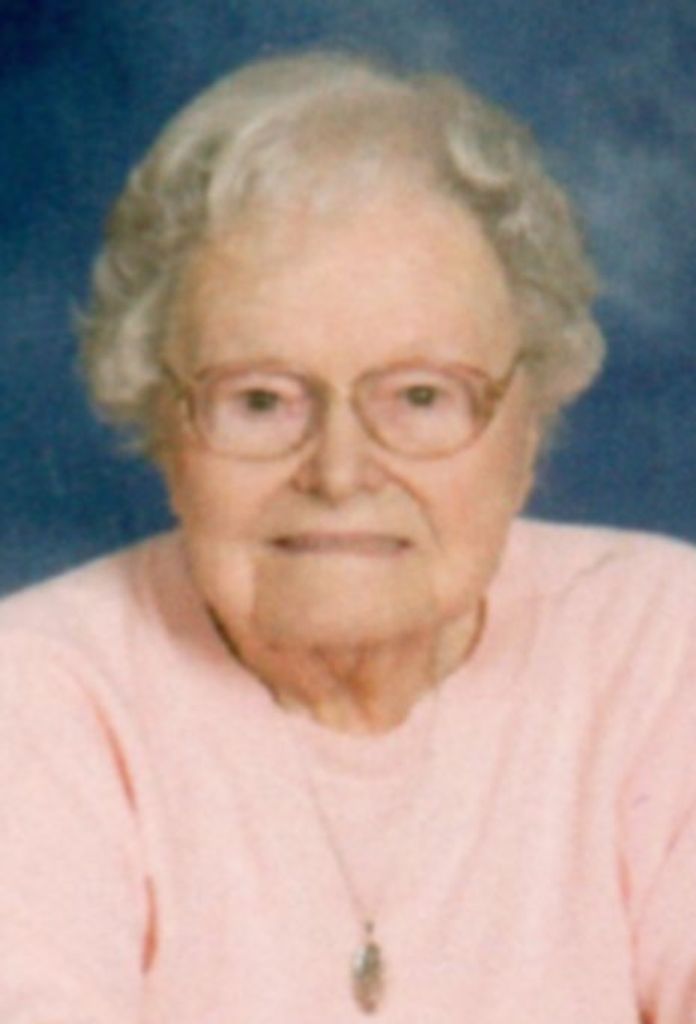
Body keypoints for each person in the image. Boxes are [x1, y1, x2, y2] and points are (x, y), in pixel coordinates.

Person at [1, 50, 694, 1023]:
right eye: (260, 400)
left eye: (420, 396)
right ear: (163, 420)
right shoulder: (39, 691)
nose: (339, 471)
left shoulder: (659, 646)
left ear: (528, 426)